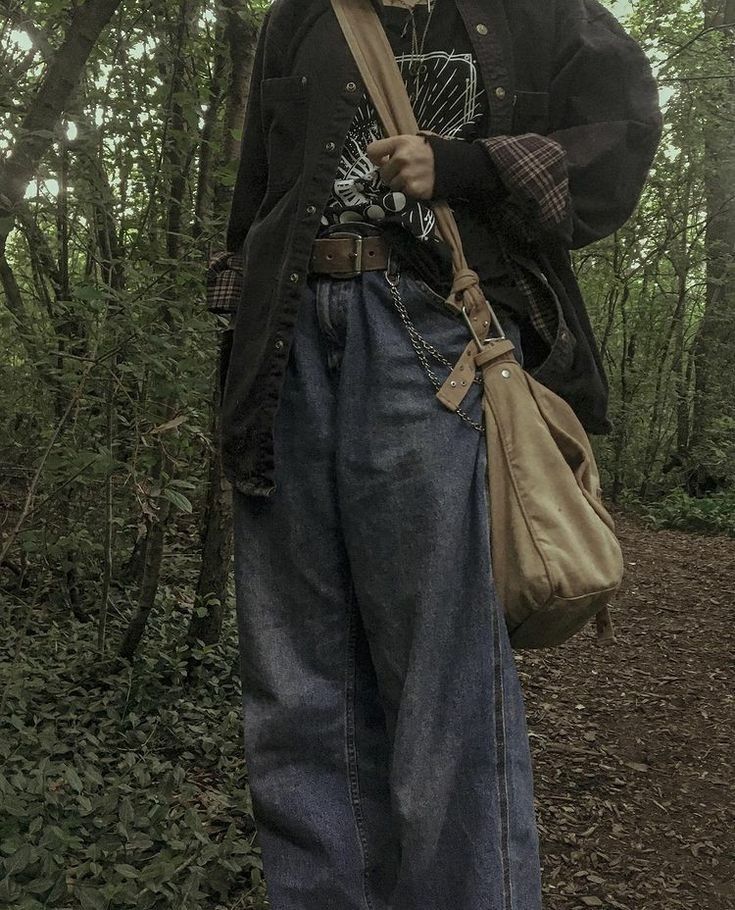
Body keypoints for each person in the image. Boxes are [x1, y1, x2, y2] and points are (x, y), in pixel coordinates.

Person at [217, 0, 662, 907]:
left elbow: (621, 140)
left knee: (440, 684)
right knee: (297, 687)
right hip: (288, 343)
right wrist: (239, 336)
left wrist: (465, 165)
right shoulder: (300, 15)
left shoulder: (537, 13)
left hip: (432, 339)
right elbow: (256, 198)